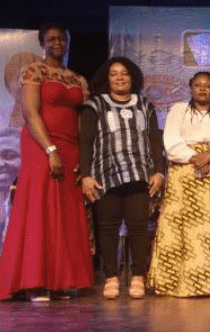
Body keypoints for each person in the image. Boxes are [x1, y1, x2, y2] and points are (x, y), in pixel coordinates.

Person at [0, 23, 93, 301]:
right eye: (51, 39)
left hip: (70, 146)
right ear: (42, 44)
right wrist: (50, 149)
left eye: (61, 39)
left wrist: (82, 156)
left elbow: (81, 118)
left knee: (64, 211)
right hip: (41, 144)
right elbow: (30, 114)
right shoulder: (34, 71)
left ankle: (58, 281)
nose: (57, 43)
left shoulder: (77, 79)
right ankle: (34, 281)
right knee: (39, 208)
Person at [148, 71, 210, 297]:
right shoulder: (178, 110)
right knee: (182, 230)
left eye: (207, 86)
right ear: (190, 88)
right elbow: (171, 142)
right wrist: (195, 158)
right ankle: (176, 282)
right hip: (184, 173)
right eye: (198, 85)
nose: (202, 89)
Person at [80, 57, 165, 299]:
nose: (119, 78)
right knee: (108, 227)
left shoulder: (145, 105)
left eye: (124, 73)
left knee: (138, 226)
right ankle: (111, 277)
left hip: (139, 174)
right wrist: (86, 175)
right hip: (104, 174)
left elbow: (154, 140)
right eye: (114, 73)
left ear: (132, 78)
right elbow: (85, 142)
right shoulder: (94, 106)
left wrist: (159, 171)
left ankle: (138, 276)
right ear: (107, 79)